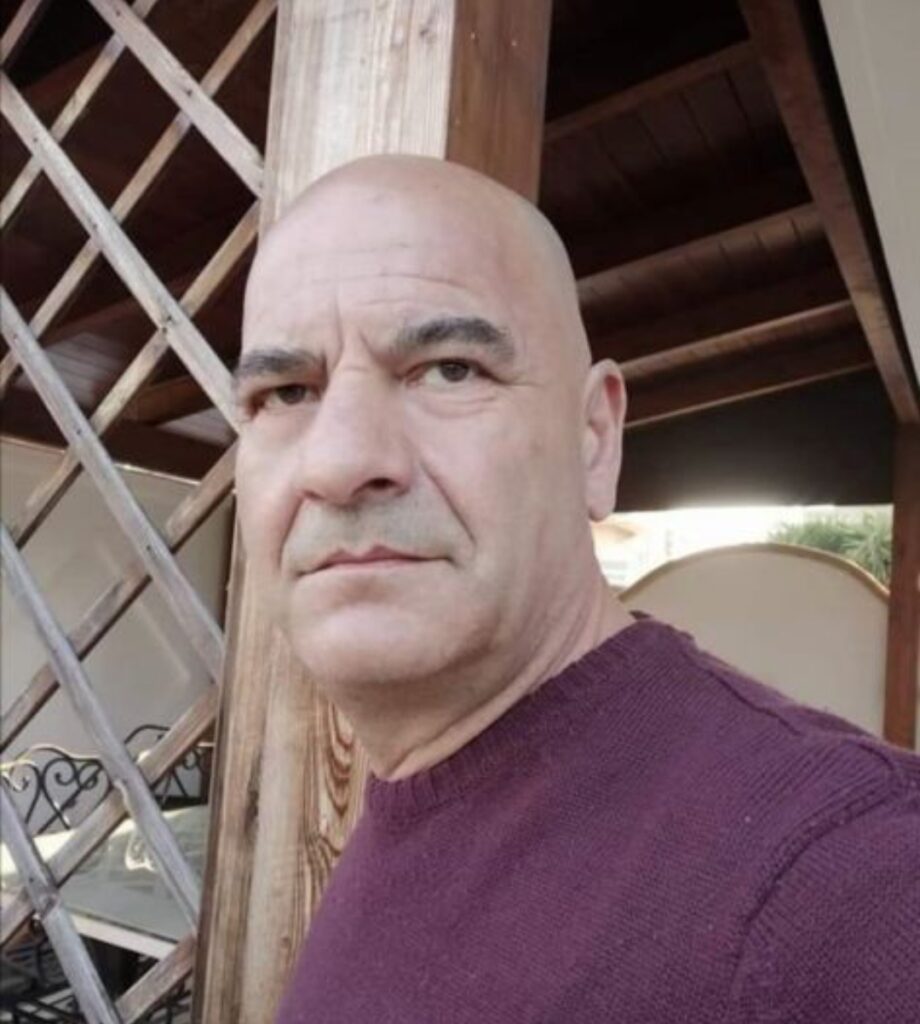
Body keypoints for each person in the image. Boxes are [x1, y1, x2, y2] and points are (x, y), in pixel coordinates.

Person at [233, 155, 920, 1023]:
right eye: (286, 391)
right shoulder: (420, 789)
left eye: (449, 369)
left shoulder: (857, 878)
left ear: (595, 439)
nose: (338, 461)